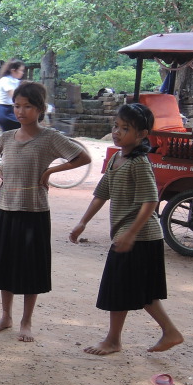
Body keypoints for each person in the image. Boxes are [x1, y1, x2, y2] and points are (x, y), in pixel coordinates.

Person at [0, 81, 91, 342]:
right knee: (5, 267)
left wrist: (51, 171)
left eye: (28, 106)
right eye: (17, 106)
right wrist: (1, 174)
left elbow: (83, 157)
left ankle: (26, 321)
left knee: (31, 270)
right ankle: (6, 316)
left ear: (40, 109)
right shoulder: (7, 137)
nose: (21, 111)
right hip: (6, 209)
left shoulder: (50, 138)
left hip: (34, 212)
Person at [69, 103, 184, 354]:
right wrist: (82, 222)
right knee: (130, 289)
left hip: (141, 237)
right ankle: (166, 332)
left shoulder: (139, 162)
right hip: (130, 237)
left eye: (125, 128)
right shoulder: (116, 158)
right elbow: (102, 193)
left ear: (142, 134)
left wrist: (130, 233)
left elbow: (151, 201)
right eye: (116, 126)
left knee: (126, 288)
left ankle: (115, 340)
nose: (117, 132)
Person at [0, 58, 25, 132]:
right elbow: (15, 97)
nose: (22, 73)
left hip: (10, 111)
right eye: (21, 70)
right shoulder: (6, 80)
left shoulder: (16, 81)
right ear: (13, 70)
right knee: (26, 124)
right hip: (4, 112)